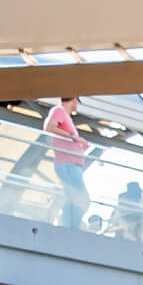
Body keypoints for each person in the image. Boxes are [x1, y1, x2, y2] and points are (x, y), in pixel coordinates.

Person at [43, 95, 91, 229]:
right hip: (68, 164)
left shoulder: (65, 116)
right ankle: (72, 228)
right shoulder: (59, 111)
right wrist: (76, 138)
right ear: (74, 99)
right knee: (82, 199)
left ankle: (69, 227)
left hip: (70, 164)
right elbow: (49, 127)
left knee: (71, 199)